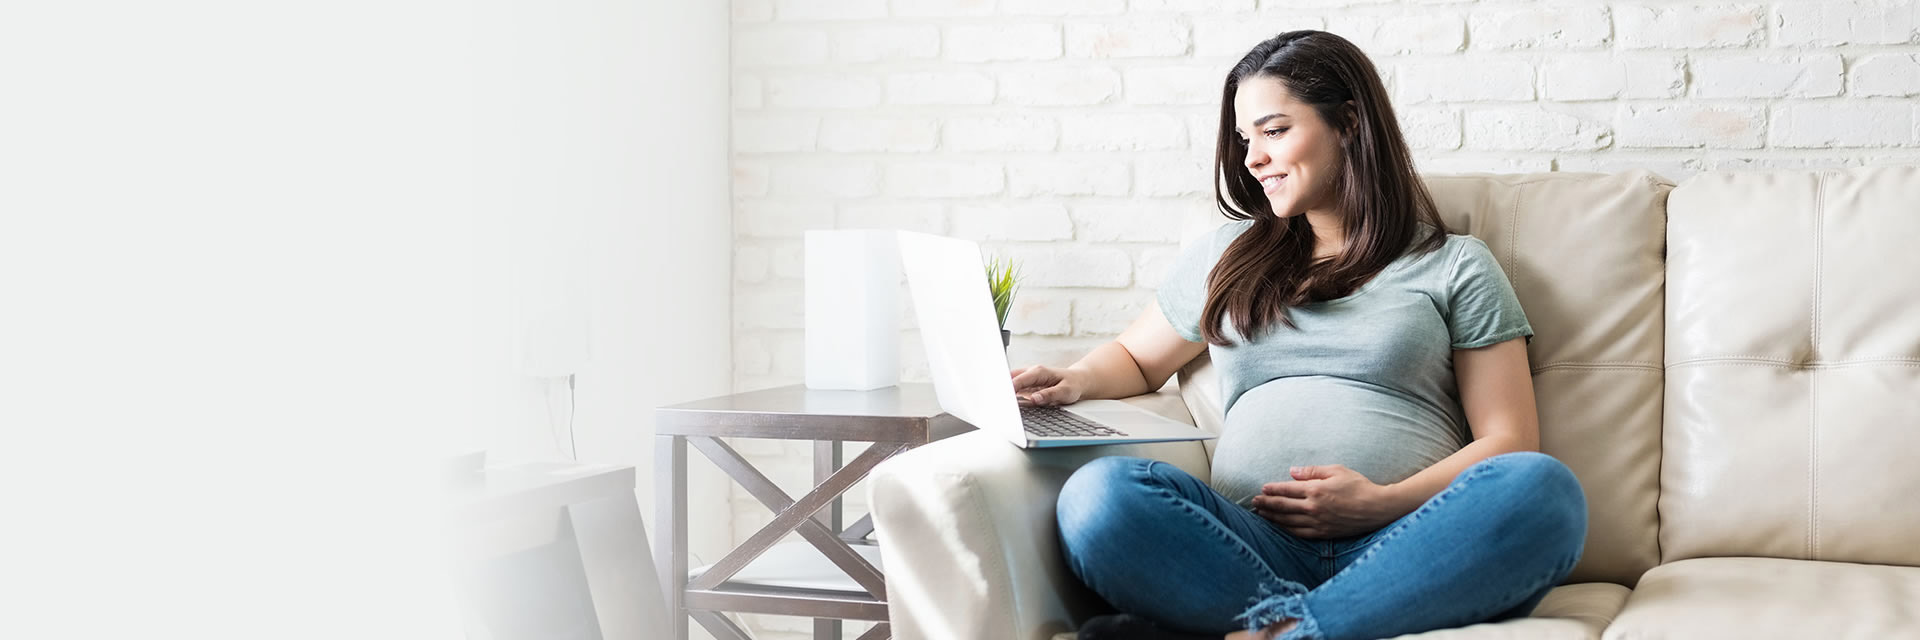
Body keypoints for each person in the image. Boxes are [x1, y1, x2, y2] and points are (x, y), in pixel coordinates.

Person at [1009, 30, 1589, 640]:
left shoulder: (1455, 264)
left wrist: (1381, 501)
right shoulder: (1227, 258)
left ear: (1349, 122)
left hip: (1407, 543)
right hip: (1247, 549)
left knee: (1541, 491)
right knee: (1100, 497)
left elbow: (1510, 439)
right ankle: (1319, 626)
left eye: (1274, 130)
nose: (1252, 157)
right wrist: (1073, 378)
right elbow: (1135, 358)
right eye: (1244, 139)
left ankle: (1277, 630)